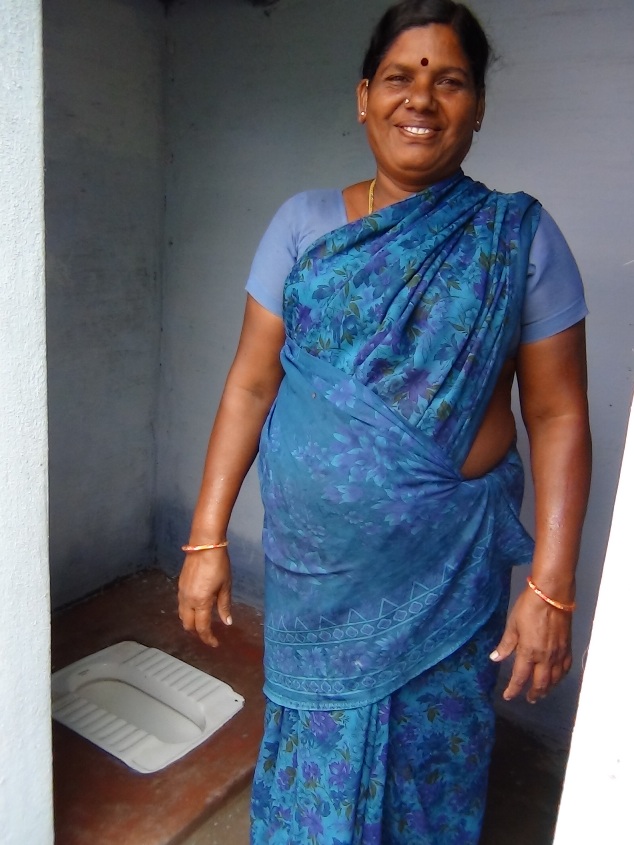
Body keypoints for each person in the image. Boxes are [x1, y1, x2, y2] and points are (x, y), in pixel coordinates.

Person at [178, 1, 591, 842]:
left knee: (430, 773)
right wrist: (206, 537)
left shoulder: (518, 237)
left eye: (450, 82)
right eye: (400, 79)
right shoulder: (301, 224)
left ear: (478, 106)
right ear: (363, 97)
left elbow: (556, 412)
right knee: (312, 765)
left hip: (449, 580)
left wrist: (552, 586)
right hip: (316, 588)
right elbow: (250, 388)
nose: (422, 100)